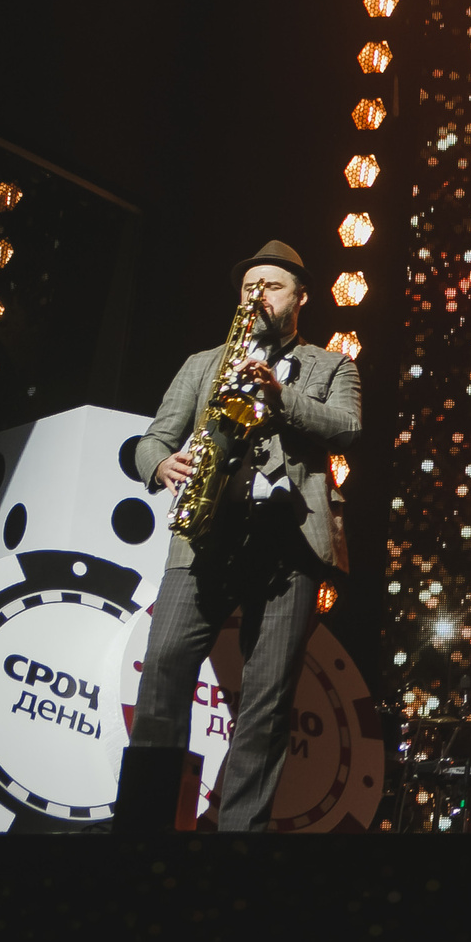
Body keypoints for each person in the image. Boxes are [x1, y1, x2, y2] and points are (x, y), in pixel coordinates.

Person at [125, 241, 361, 833]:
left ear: (301, 299)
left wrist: (282, 399)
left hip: (289, 545)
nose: (258, 295)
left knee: (266, 702)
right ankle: (142, 832)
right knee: (163, 675)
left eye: (272, 286)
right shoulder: (203, 363)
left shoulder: (333, 366)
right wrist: (160, 465)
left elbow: (348, 427)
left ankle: (237, 846)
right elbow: (150, 440)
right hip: (207, 537)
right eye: (249, 286)